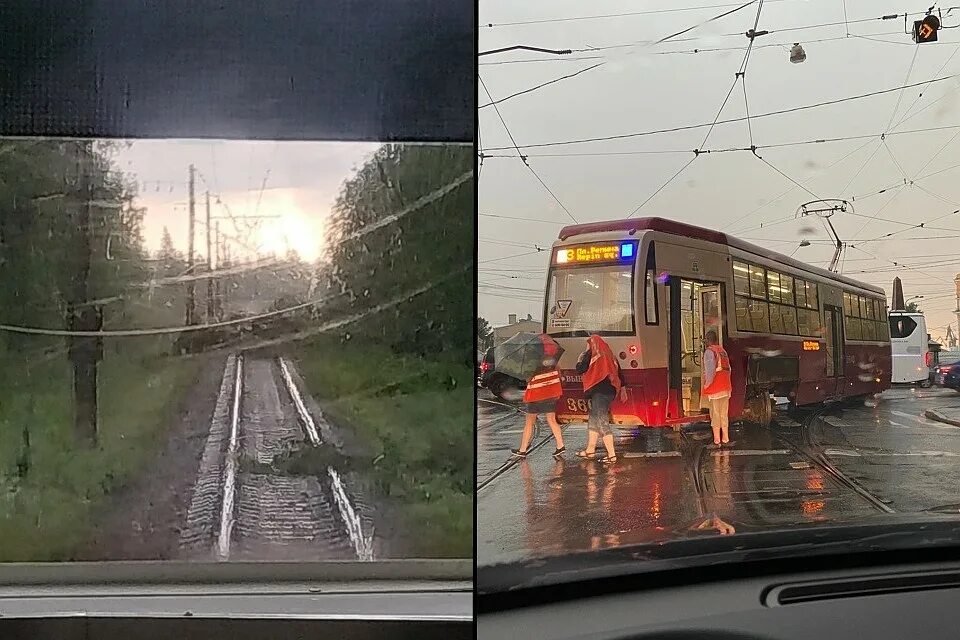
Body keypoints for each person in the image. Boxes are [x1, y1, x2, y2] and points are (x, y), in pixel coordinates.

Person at [511, 337, 565, 459]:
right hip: (551, 394)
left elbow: (528, 378)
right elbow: (559, 376)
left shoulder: (532, 361)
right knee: (551, 420)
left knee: (529, 422)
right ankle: (560, 445)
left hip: (536, 395)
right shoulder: (553, 361)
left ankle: (523, 449)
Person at [575, 334, 625, 464]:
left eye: (588, 343)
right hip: (609, 391)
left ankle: (612, 455)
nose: (587, 345)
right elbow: (619, 372)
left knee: (602, 422)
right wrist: (623, 388)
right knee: (593, 420)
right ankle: (590, 450)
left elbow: (580, 369)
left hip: (598, 392)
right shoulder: (609, 354)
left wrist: (579, 360)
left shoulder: (590, 354)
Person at [702, 330, 732, 446]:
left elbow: (710, 372)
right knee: (724, 414)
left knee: (715, 414)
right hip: (726, 388)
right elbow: (728, 368)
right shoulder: (722, 351)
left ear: (708, 341)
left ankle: (716, 439)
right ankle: (726, 438)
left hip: (715, 389)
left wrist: (706, 385)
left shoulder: (709, 352)